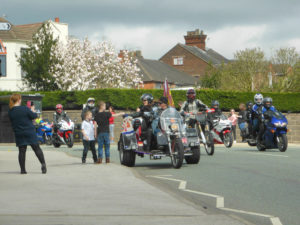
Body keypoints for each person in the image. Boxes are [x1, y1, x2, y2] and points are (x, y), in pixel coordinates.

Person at [8, 94, 47, 174]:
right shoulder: (25, 108)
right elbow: (34, 116)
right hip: (29, 131)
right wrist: (32, 110)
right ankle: (43, 164)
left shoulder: (11, 111)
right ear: (19, 100)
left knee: (22, 151)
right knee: (36, 148)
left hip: (19, 132)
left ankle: (23, 170)